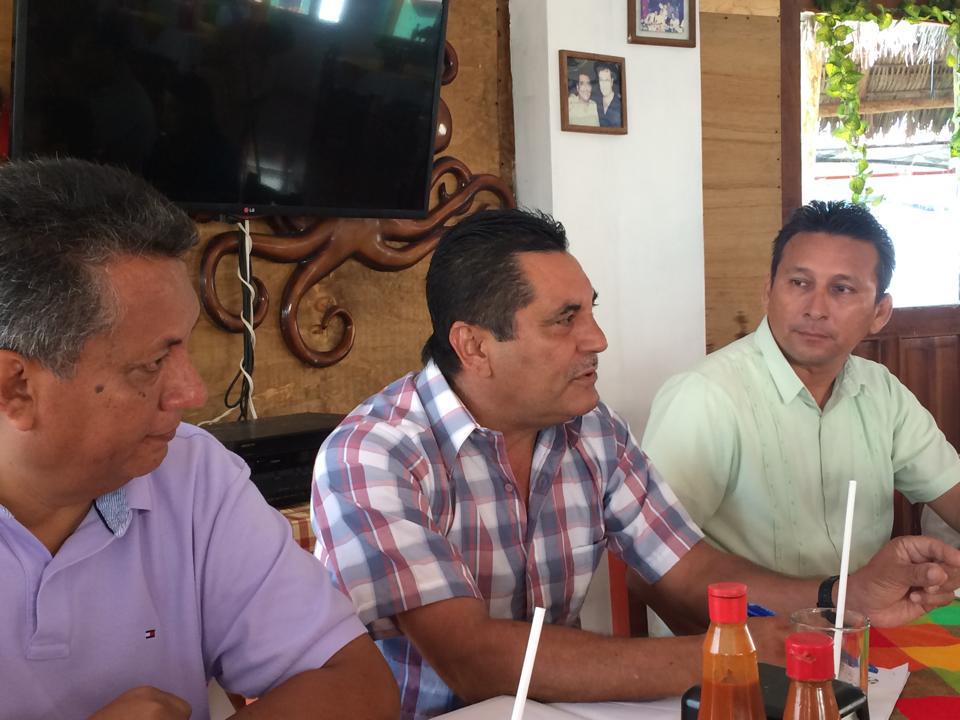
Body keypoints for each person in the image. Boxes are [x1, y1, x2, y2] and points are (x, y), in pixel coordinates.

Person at [312, 207, 960, 719]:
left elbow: (690, 570)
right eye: (565, 320)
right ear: (474, 346)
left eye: (592, 310)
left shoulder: (590, 429)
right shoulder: (376, 455)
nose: (597, 338)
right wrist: (725, 653)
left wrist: (839, 598)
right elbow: (473, 659)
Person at [0, 158, 399, 720]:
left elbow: (354, 683)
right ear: (15, 386)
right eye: (152, 363)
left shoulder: (188, 473)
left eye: (185, 345)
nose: (191, 392)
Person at [642, 200, 960, 578]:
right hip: (744, 632)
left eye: (841, 289)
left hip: (863, 629)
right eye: (799, 283)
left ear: (880, 313)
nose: (815, 308)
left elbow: (951, 491)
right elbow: (651, 565)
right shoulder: (706, 397)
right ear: (768, 292)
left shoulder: (882, 392)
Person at [596, 63, 622, 128]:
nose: (604, 84)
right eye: (601, 80)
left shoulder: (620, 103)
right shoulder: (595, 102)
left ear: (612, 82)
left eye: (607, 80)